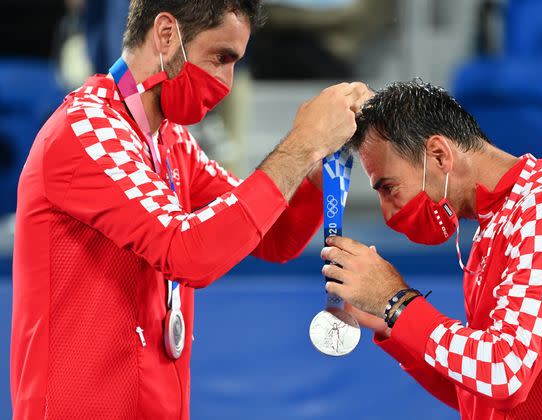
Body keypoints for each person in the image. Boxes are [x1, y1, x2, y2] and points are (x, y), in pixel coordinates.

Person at [10, 1, 370, 418]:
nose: (227, 82)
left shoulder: (170, 141)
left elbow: (276, 234)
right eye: (220, 58)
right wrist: (301, 143)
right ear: (166, 35)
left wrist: (314, 160)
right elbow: (189, 253)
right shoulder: (86, 130)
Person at [321, 80, 542, 418]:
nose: (387, 213)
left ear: (439, 155)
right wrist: (391, 326)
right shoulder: (497, 220)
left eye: (388, 187)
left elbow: (505, 373)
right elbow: (480, 394)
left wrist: (396, 302)